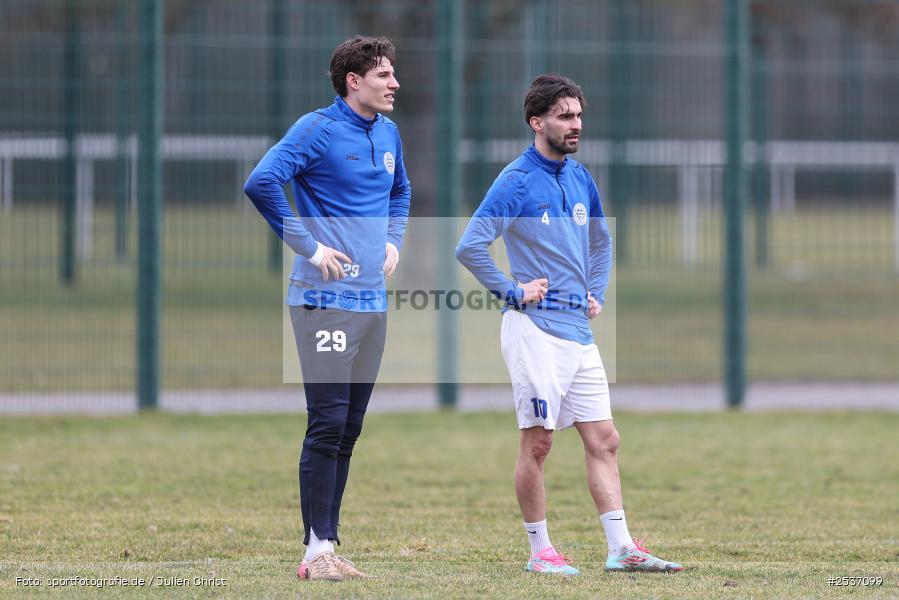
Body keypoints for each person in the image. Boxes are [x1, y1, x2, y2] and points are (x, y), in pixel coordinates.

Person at [456, 74, 682, 575]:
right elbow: (469, 245)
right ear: (537, 123)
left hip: (579, 333)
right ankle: (540, 552)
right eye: (564, 116)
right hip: (534, 332)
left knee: (605, 439)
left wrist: (595, 290)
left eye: (578, 115)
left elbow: (601, 242)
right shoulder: (515, 180)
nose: (575, 124)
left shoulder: (581, 178)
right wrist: (513, 291)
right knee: (538, 443)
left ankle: (621, 549)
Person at [244, 36, 411, 581]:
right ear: (353, 81)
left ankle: (328, 546)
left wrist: (392, 239)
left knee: (350, 427)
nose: (394, 83)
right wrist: (309, 248)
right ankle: (317, 552)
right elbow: (261, 181)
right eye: (383, 74)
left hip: (371, 303)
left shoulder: (388, 133)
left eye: (393, 73)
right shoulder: (316, 129)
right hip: (323, 302)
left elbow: (400, 192)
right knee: (328, 422)